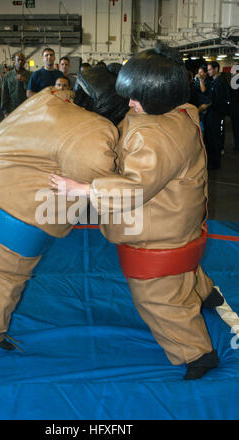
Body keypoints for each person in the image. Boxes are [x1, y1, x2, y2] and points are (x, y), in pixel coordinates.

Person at [50, 42, 224, 380]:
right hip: (180, 219)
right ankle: (206, 292)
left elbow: (134, 189)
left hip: (158, 234)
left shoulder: (155, 138)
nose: (129, 103)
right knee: (184, 273)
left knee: (158, 296)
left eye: (135, 97)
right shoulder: (179, 111)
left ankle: (197, 353)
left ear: (157, 96)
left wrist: (84, 189)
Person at [0, 66, 129, 351]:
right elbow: (98, 175)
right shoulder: (95, 129)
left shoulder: (53, 96)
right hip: (4, 211)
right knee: (4, 275)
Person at [204, 61, 230, 169]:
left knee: (216, 139)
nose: (208, 72)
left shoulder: (220, 83)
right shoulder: (213, 82)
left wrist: (208, 105)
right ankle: (212, 161)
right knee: (210, 138)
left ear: (216, 69)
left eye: (210, 69)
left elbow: (218, 100)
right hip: (211, 115)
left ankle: (216, 163)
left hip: (217, 115)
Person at [1, 53, 31, 117]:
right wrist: (5, 111)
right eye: (18, 60)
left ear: (25, 61)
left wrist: (25, 81)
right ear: (14, 61)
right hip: (12, 110)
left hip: (26, 110)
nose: (20, 62)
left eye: (22, 60)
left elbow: (32, 93)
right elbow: (4, 94)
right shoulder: (8, 76)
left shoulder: (30, 75)